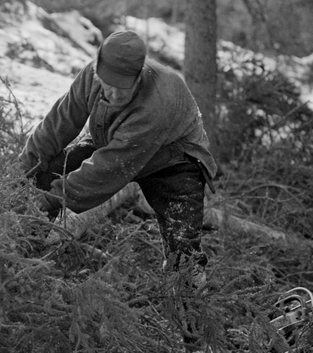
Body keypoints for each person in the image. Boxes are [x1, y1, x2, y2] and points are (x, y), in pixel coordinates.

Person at [20, 29, 218, 285]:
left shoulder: (155, 104)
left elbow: (107, 169)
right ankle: (24, 244)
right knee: (52, 170)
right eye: (106, 86)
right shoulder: (91, 76)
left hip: (175, 158)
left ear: (138, 79)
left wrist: (51, 199)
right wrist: (23, 171)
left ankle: (189, 307)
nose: (111, 95)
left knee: (183, 250)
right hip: (115, 139)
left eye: (121, 90)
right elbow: (57, 125)